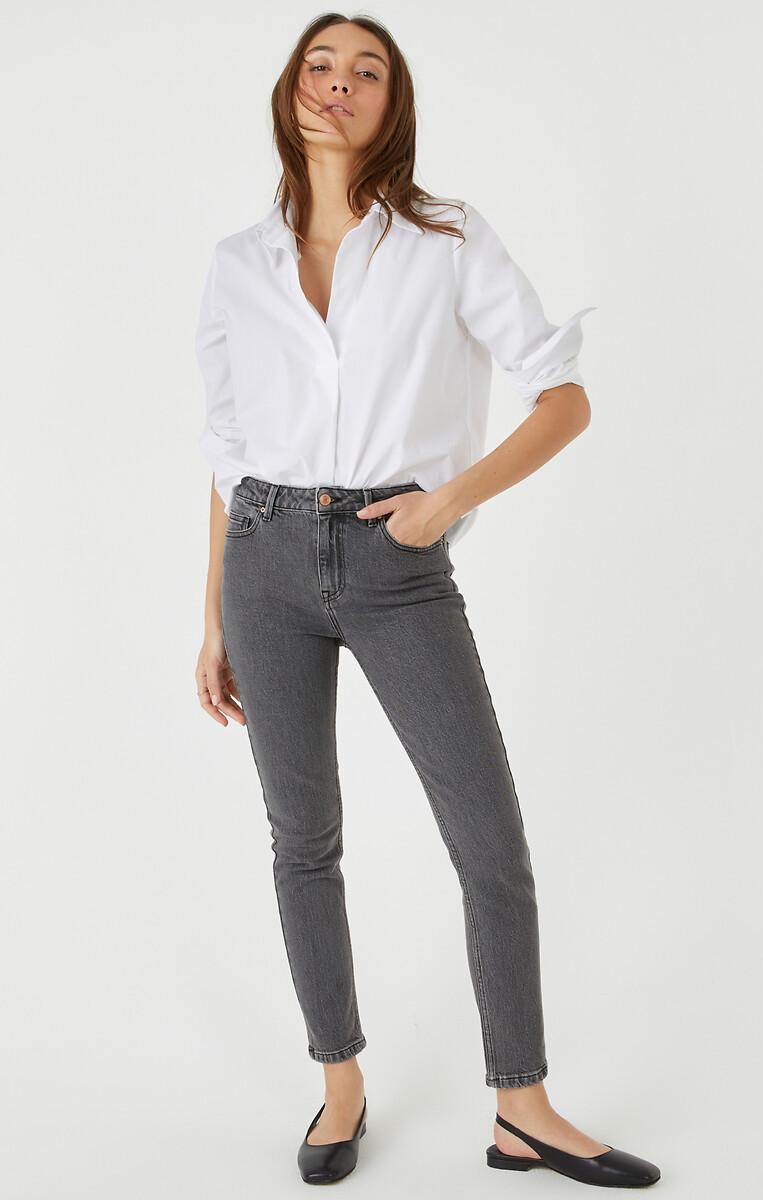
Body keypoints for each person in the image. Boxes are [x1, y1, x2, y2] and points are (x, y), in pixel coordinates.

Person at [192, 13, 660, 1191]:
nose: (339, 86)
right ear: (289, 90)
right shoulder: (238, 263)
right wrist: (210, 617)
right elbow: (227, 453)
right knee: (303, 840)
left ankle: (522, 1108)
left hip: (397, 562)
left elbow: (564, 396)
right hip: (262, 560)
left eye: (367, 72)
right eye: (320, 65)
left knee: (489, 842)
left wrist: (446, 502)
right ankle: (340, 1084)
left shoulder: (446, 239)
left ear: (391, 105)